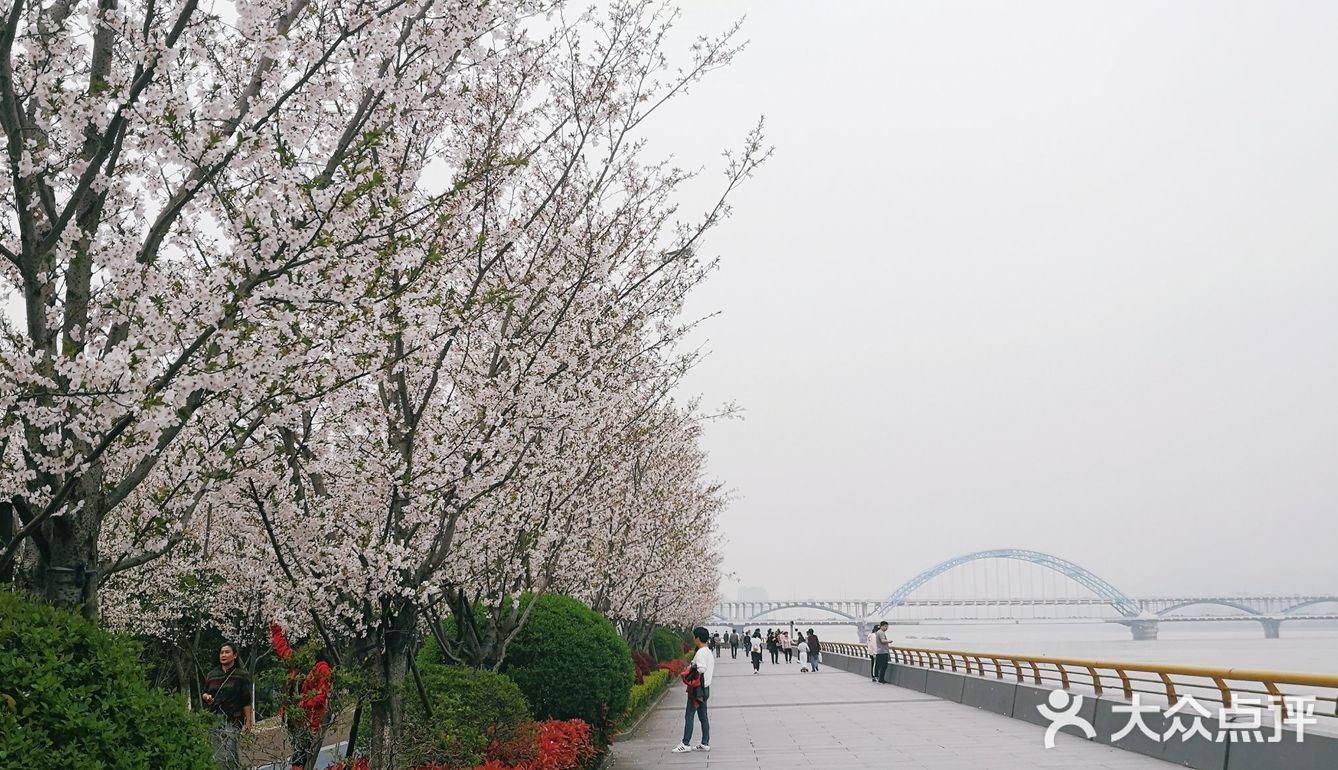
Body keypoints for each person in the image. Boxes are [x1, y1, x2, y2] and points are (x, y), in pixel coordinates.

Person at [202, 643, 253, 770]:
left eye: (227, 652)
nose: (223, 655)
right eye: (221, 652)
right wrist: (207, 697)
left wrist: (248, 721)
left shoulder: (242, 675)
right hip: (214, 719)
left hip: (233, 719)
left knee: (231, 753)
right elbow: (204, 692)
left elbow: (246, 700)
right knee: (216, 754)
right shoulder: (212, 675)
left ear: (234, 655)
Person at [672, 627, 715, 753]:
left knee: (689, 715)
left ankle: (685, 743)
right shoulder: (708, 651)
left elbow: (701, 668)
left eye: (694, 637)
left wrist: (692, 667)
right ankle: (705, 742)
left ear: (698, 638)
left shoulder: (701, 652)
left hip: (697, 690)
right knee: (703, 716)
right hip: (705, 688)